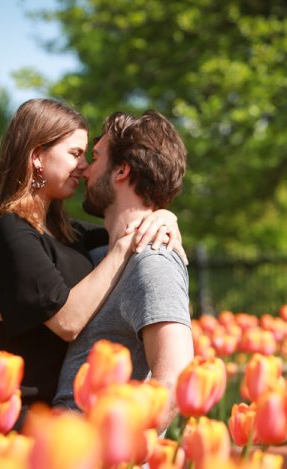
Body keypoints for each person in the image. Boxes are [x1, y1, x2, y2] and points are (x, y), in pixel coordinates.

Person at [0, 99, 185, 408]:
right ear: (37, 157)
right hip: (16, 410)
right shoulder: (9, 231)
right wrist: (125, 246)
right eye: (74, 154)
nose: (83, 166)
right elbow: (67, 323)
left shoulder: (74, 234)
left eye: (86, 155)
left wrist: (164, 216)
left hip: (60, 413)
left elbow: (128, 222)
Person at [51, 109, 194, 430]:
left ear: (121, 170)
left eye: (96, 156)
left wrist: (115, 453)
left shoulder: (153, 261)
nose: (84, 169)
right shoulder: (101, 253)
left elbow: (173, 380)